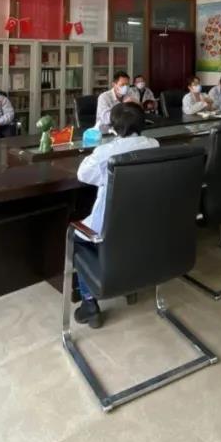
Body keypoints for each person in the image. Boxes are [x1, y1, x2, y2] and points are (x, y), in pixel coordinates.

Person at [72, 102, 159, 328]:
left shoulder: (106, 152)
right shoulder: (154, 144)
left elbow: (83, 175)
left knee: (76, 238)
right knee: (125, 238)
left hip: (109, 225)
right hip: (142, 220)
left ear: (113, 127)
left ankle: (89, 303)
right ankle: (129, 284)